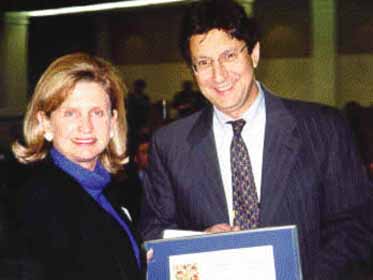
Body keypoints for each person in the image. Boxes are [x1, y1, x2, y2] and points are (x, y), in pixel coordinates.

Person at [138, 0, 373, 279]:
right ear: (193, 70)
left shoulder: (323, 129)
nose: (219, 75)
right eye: (204, 63)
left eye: (229, 56)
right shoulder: (169, 144)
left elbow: (356, 226)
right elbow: (153, 234)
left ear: (255, 54)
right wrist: (195, 242)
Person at [7, 53, 145, 279]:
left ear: (112, 122)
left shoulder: (108, 190)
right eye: (71, 113)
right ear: (45, 123)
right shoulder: (33, 205)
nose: (86, 127)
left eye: (97, 113)